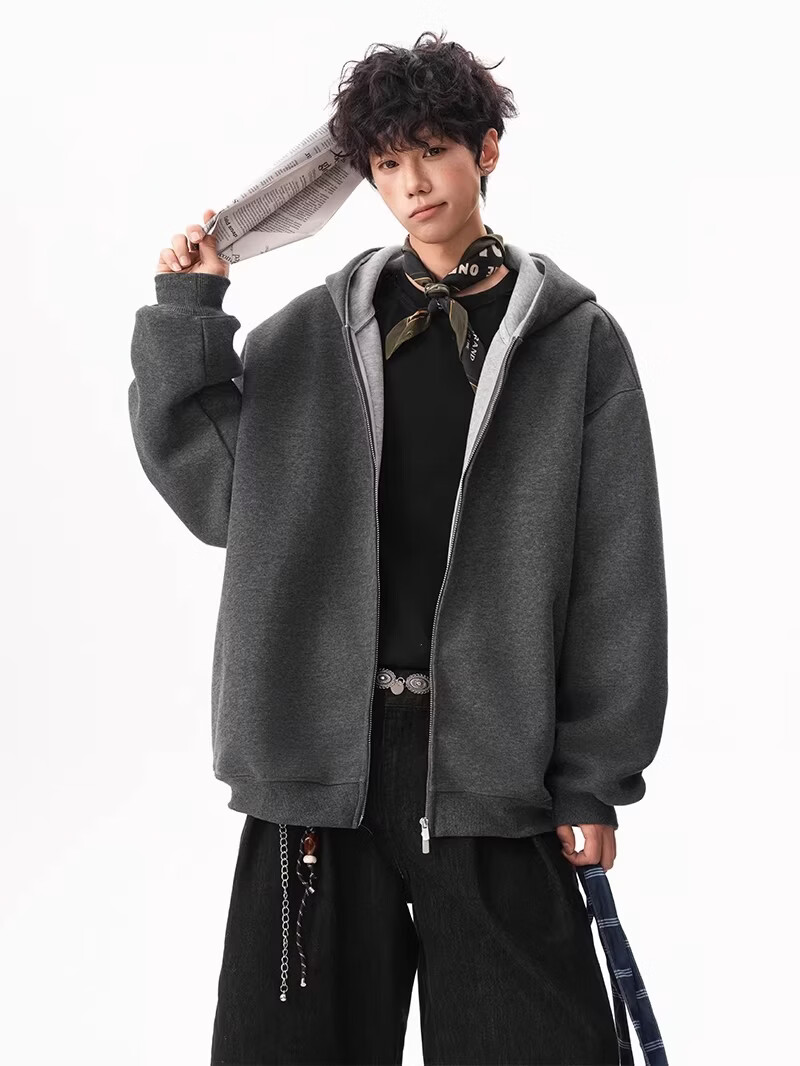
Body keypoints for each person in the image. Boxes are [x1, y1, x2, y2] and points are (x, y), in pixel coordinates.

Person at [128, 29, 668, 1066]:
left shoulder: (573, 344)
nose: (413, 183)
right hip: (318, 772)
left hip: (493, 766)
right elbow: (219, 495)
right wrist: (188, 310)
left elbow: (617, 575)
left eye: (432, 151)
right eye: (386, 163)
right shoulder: (314, 336)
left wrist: (591, 778)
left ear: (485, 151)